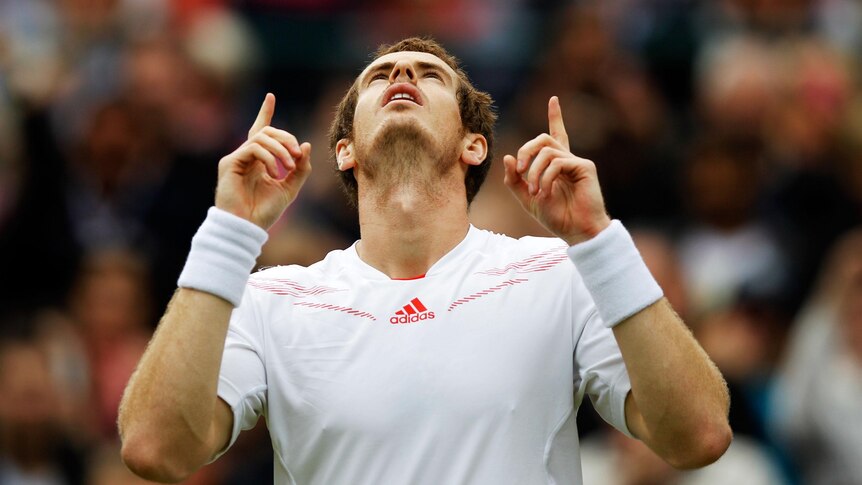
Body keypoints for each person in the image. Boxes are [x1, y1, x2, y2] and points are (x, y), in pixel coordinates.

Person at [117, 37, 731, 484]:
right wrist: (229, 232)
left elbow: (697, 436)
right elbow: (154, 449)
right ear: (345, 152)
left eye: (429, 74)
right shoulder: (272, 298)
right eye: (379, 74)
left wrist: (597, 239)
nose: (402, 69)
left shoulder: (560, 273)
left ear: (474, 145)